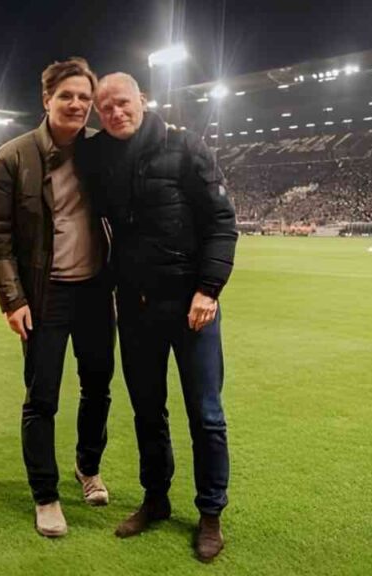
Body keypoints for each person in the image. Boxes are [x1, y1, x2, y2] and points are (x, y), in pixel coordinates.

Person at [83, 72, 237, 562]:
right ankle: (157, 500)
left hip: (192, 307)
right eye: (104, 109)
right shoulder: (99, 156)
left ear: (141, 100)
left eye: (122, 103)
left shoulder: (185, 147)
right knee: (148, 413)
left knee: (206, 416)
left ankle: (210, 513)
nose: (114, 113)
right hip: (135, 309)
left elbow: (221, 222)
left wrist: (208, 289)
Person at [0, 57, 115, 538]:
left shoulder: (101, 155)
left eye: (84, 97)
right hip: (45, 295)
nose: (77, 104)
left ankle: (88, 467)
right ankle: (45, 494)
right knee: (42, 398)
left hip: (96, 292)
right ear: (47, 100)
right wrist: (12, 300)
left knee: (98, 387)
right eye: (67, 96)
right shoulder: (12, 158)